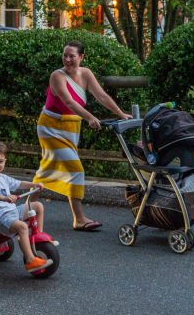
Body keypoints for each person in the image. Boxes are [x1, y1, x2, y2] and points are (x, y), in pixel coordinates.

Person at [34, 40, 132, 231]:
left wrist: (120, 113)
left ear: (81, 57)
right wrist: (89, 117)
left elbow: (101, 95)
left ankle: (26, 207)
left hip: (71, 127)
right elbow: (69, 102)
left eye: (72, 56)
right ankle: (79, 219)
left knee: (47, 170)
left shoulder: (86, 73)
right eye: (65, 55)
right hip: (51, 127)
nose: (67, 59)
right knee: (75, 169)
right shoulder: (57, 75)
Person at [0, 141, 51, 273]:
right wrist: (3, 198)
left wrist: (33, 185)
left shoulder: (3, 177)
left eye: (0, 161)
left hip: (11, 212)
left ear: (5, 161)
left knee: (38, 206)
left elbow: (18, 184)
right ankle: (30, 260)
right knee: (22, 227)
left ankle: (37, 239)